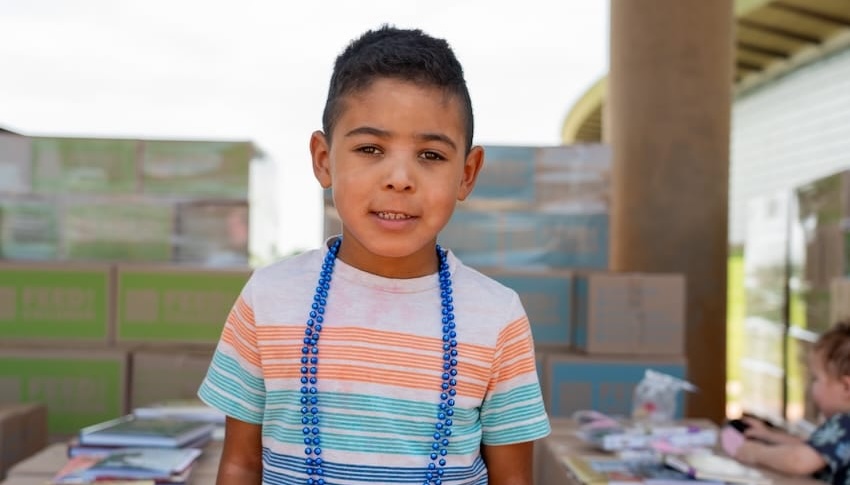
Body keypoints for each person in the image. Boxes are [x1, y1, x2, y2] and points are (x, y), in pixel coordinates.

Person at [198, 25, 551, 485]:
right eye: (370, 148)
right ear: (324, 160)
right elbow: (242, 463)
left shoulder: (497, 317)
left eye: (430, 155)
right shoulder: (269, 298)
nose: (400, 178)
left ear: (467, 173)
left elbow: (513, 479)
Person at [727, 321, 850, 483]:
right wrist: (770, 436)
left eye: (816, 379)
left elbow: (798, 461)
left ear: (846, 387)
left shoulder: (844, 423)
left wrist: (757, 453)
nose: (812, 387)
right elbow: (813, 445)